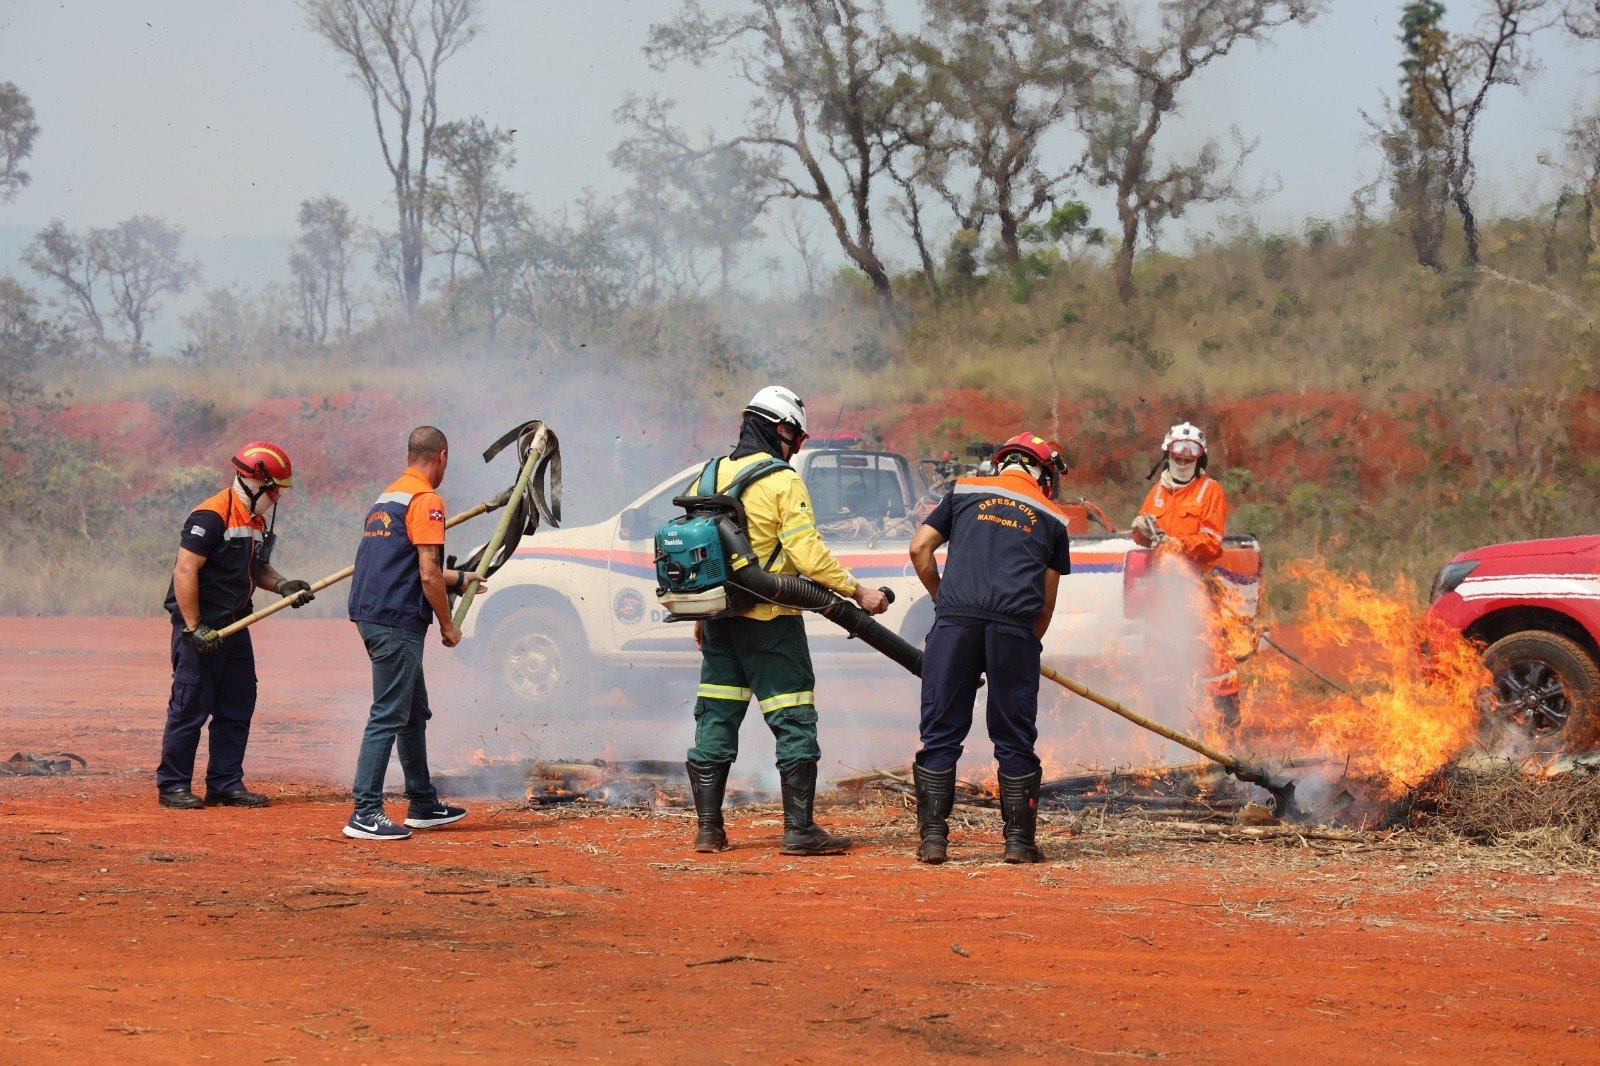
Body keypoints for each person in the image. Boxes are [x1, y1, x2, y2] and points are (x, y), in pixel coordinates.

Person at [685, 385, 890, 856]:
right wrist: (858, 591)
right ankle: (799, 831)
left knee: (716, 716)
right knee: (793, 718)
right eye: (796, 439)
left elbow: (703, 554)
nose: (796, 449)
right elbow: (807, 554)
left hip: (719, 620)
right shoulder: (782, 481)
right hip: (772, 621)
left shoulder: (708, 475)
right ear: (781, 430)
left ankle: (709, 831)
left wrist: (702, 615)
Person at [908, 433, 1072, 865]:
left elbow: (919, 548)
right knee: (1014, 736)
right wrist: (1022, 645)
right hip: (1014, 629)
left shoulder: (963, 490)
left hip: (955, 623)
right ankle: (1018, 844)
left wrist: (944, 601)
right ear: (1044, 473)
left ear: (1003, 463)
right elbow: (1047, 603)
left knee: (941, 729)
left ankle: (933, 841)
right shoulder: (1054, 517)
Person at [342, 426, 485, 841]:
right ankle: (365, 811)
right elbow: (425, 574)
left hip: (374, 613)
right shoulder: (426, 500)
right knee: (388, 713)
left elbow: (401, 563)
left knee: (412, 712)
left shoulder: (387, 498)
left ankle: (422, 802)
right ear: (441, 457)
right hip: (397, 620)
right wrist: (448, 625)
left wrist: (457, 577)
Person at [159, 441, 315, 810]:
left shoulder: (255, 522)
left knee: (237, 705)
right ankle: (173, 786)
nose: (277, 496)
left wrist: (283, 585)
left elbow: (257, 569)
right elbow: (185, 570)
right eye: (274, 488)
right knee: (189, 707)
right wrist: (195, 627)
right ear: (254, 482)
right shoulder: (210, 515)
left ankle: (225, 784)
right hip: (201, 629)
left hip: (236, 626)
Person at [1129, 422, 1241, 730]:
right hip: (1161, 593)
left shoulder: (1210, 492)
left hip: (1195, 591)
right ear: (1167, 455)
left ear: (1199, 459)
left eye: (1189, 456)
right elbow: (1144, 537)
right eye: (1178, 455)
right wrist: (1140, 530)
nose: (1182, 461)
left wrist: (1176, 543)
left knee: (1213, 659)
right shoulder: (1158, 492)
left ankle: (1226, 729)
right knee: (1161, 660)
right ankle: (1168, 733)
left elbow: (1211, 543)